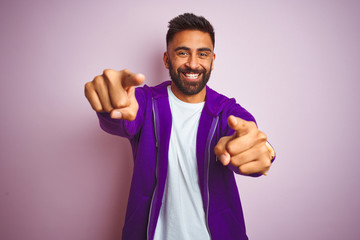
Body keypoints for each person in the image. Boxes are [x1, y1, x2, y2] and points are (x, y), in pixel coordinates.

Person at [84, 13, 275, 240]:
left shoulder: (227, 111)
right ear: (167, 59)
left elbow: (251, 137)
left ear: (213, 60)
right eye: (182, 52)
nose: (193, 64)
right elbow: (123, 117)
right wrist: (109, 104)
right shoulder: (145, 102)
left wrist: (262, 152)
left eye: (202, 54)